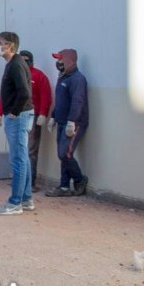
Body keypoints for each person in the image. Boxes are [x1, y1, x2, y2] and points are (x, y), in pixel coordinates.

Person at [0, 50, 52, 192]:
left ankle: (29, 184)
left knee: (30, 151)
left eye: (27, 60)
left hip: (30, 116)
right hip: (14, 116)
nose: (24, 62)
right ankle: (20, 183)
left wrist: (43, 114)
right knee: (18, 152)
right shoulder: (14, 72)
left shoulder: (38, 76)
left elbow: (46, 96)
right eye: (22, 59)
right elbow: (5, 95)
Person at [0, 32, 35, 216]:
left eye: (0, 43)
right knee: (23, 158)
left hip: (19, 116)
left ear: (10, 46)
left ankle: (15, 202)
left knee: (17, 160)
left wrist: (14, 113)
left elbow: (24, 92)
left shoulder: (16, 64)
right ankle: (26, 198)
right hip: (21, 115)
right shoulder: (14, 64)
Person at [46, 49, 90, 197]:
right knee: (62, 154)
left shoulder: (77, 79)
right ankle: (64, 186)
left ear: (69, 61)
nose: (58, 63)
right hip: (61, 121)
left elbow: (78, 101)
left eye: (60, 60)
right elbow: (60, 101)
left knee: (64, 153)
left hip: (74, 123)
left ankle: (79, 179)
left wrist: (72, 121)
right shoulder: (62, 77)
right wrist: (53, 117)